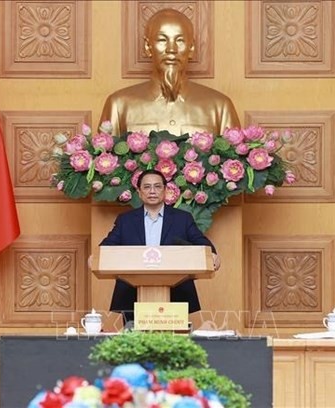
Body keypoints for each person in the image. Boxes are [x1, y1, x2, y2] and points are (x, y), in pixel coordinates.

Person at [100, 169, 220, 323]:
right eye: (147, 187)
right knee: (134, 344)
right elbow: (107, 246)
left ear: (165, 190)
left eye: (157, 187)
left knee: (174, 344)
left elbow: (200, 241)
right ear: (139, 191)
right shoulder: (126, 220)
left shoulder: (182, 219)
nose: (152, 191)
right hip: (132, 293)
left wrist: (213, 254)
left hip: (177, 292)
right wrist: (95, 256)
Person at [100, 8, 240, 136]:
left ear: (191, 48)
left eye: (180, 40)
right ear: (148, 47)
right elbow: (104, 158)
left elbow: (234, 160)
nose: (171, 49)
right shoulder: (119, 105)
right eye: (162, 40)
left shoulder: (220, 107)